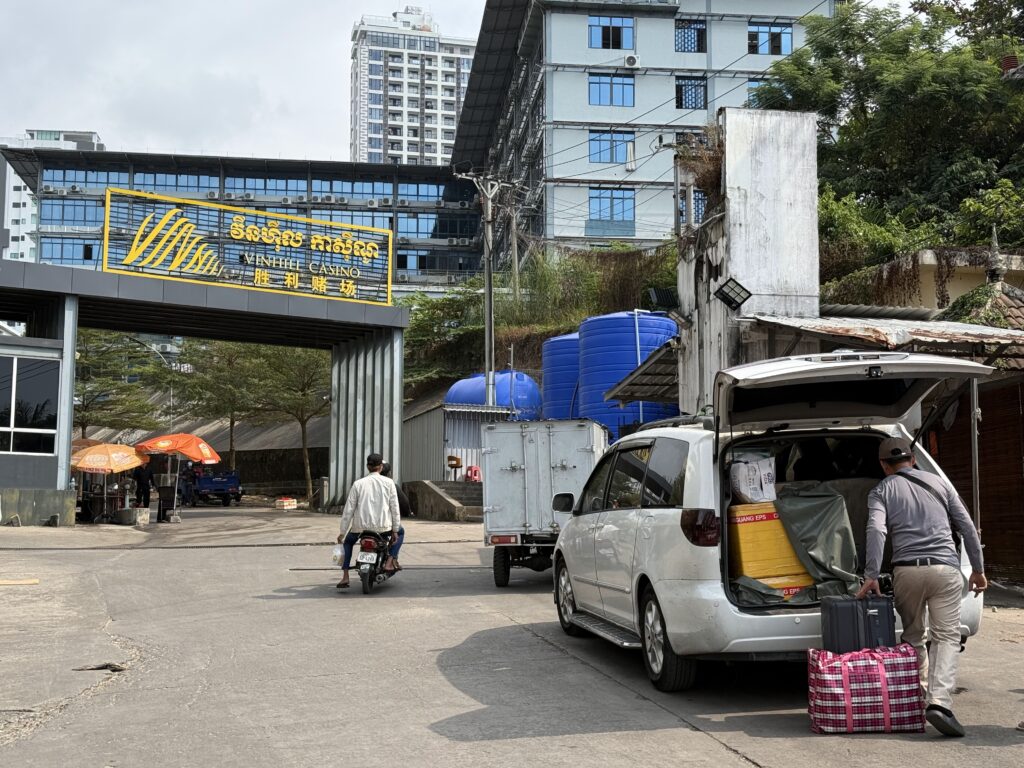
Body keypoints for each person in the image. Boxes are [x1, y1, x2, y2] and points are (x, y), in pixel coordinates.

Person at [856, 436, 987, 738]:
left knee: (914, 635)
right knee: (946, 637)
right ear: (913, 459)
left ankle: (916, 701)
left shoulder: (882, 490)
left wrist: (872, 574)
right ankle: (939, 703)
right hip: (944, 569)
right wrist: (978, 570)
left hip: (906, 572)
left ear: (883, 465)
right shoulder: (940, 483)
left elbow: (876, 529)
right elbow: (966, 525)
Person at [335, 453, 403, 589]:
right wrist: (395, 529)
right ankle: (390, 561)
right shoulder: (389, 483)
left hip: (360, 529)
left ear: (368, 467)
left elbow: (348, 510)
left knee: (347, 543)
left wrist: (342, 533)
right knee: (401, 532)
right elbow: (395, 508)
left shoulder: (358, 484)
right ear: (381, 467)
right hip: (383, 528)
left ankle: (345, 576)